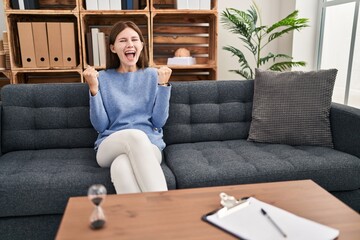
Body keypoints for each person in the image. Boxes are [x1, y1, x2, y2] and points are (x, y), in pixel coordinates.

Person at [83, 21, 172, 194]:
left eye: (134, 39)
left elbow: (159, 122)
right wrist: (93, 89)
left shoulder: (154, 76)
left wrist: (163, 87)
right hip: (109, 145)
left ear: (141, 45)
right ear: (113, 48)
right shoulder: (102, 78)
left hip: (149, 146)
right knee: (135, 136)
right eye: (123, 40)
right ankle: (164, 208)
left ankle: (139, 220)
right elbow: (100, 126)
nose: (130, 44)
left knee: (121, 166)